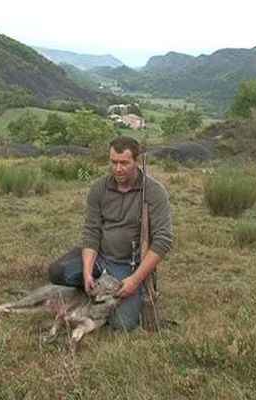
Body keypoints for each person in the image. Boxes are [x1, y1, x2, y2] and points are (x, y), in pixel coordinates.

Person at [47, 136, 173, 330]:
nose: (118, 169)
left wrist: (136, 279)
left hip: (127, 265)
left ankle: (117, 293)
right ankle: (95, 287)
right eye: (113, 162)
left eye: (124, 163)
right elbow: (91, 231)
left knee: (121, 324)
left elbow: (163, 241)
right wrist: (87, 272)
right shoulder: (99, 188)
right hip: (100, 257)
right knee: (57, 271)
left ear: (136, 161)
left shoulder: (155, 192)